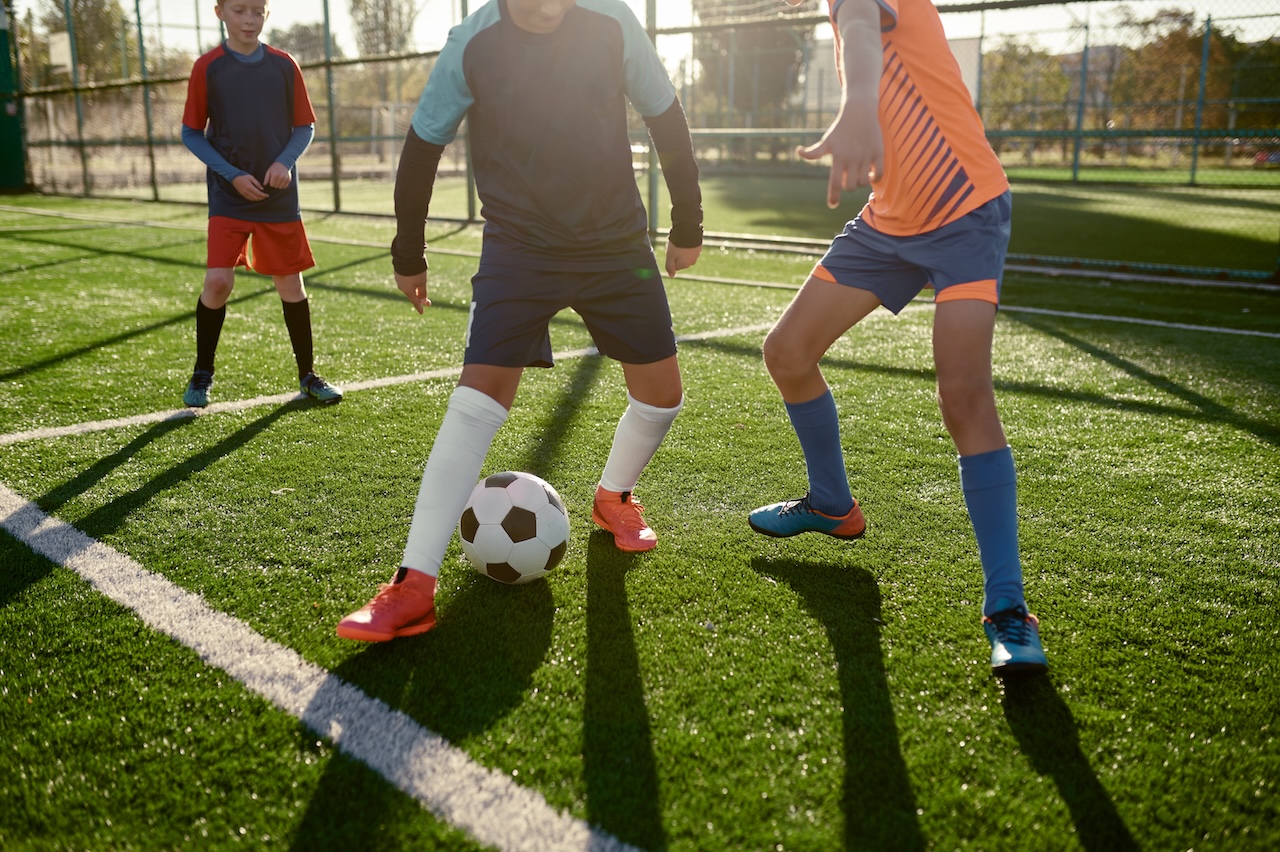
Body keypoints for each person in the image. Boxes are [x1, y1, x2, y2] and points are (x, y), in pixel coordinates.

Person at [336, 0, 703, 642]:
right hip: (519, 249)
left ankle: (613, 497)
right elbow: (423, 145)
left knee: (662, 396)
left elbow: (666, 120)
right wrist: (408, 251)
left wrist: (687, 221)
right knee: (476, 400)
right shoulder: (472, 42)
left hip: (616, 247)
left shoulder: (613, 23)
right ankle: (413, 585)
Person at [748, 0, 1048, 676]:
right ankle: (832, 506)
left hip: (965, 208)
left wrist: (857, 108)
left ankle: (1008, 609)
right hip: (888, 223)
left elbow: (860, 27)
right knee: (787, 353)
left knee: (963, 397)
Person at [179, 0, 343, 408]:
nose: (248, 19)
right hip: (228, 194)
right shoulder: (208, 67)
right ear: (220, 12)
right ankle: (203, 373)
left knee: (291, 283)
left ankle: (308, 374)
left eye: (257, 10)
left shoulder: (284, 65)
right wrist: (231, 173)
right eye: (239, 11)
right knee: (218, 283)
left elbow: (304, 126)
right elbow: (191, 133)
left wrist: (283, 162)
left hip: (278, 195)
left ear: (267, 14)